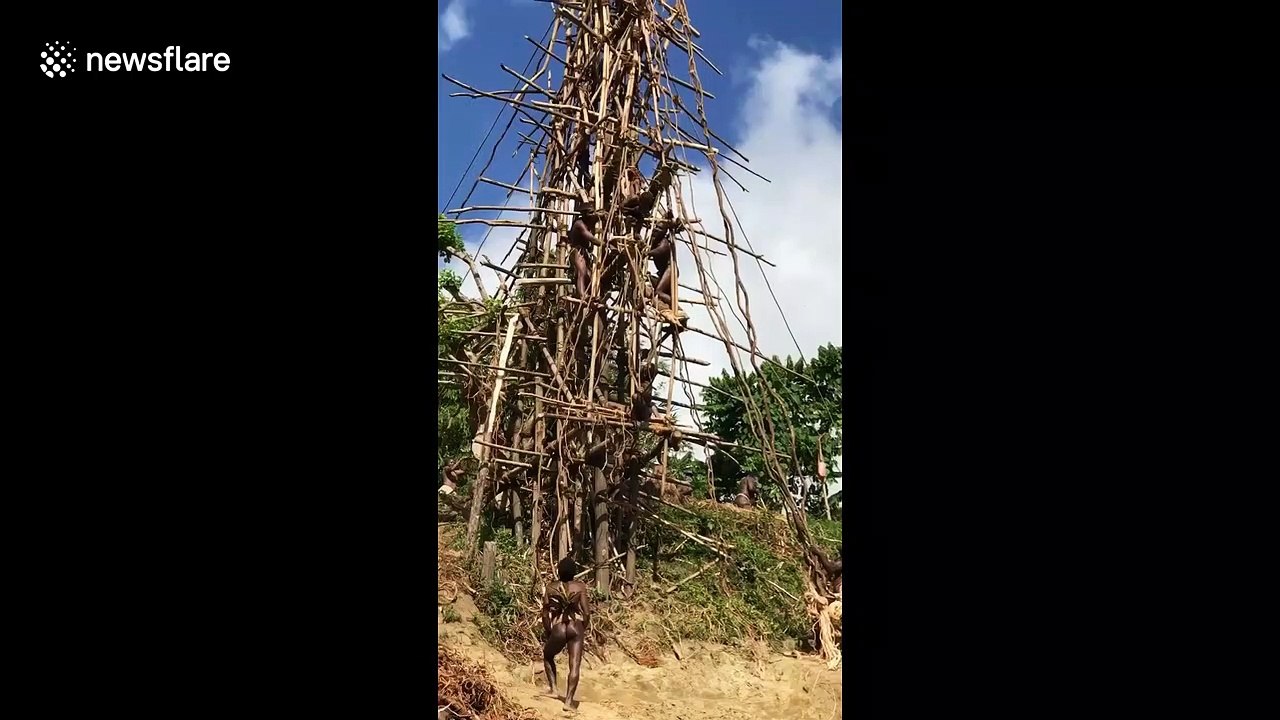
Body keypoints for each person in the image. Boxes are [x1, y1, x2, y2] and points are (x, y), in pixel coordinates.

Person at [542, 557, 591, 711]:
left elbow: (544, 614)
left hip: (559, 628)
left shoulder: (551, 588)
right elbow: (587, 612)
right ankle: (568, 702)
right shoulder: (579, 587)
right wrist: (583, 626)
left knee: (548, 655)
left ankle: (554, 689)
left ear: (559, 571)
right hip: (575, 627)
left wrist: (549, 630)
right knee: (574, 664)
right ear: (574, 572)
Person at [567, 202, 600, 301]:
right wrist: (603, 243)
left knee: (588, 275)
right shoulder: (579, 224)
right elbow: (592, 239)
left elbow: (597, 215)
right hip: (576, 250)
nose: (593, 214)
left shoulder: (588, 221)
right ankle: (582, 295)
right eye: (590, 213)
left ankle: (590, 295)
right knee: (582, 271)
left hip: (584, 251)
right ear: (584, 214)